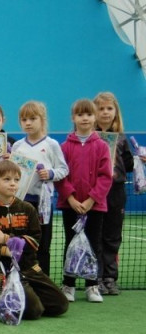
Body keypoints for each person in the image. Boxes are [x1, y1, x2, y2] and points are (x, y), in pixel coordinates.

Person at [0, 160, 69, 319]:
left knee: (60, 305)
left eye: (16, 180)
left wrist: (6, 239)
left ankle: (21, 296)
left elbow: (35, 242)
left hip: (29, 267)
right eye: (7, 179)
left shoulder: (27, 208)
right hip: (3, 272)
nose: (13, 184)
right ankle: (15, 295)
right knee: (34, 311)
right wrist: (3, 251)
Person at [55, 99, 112, 303]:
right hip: (69, 205)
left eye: (88, 114)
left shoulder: (102, 146)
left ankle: (92, 286)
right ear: (73, 118)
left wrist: (91, 200)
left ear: (94, 117)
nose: (85, 118)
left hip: (94, 207)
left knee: (93, 244)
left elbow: (105, 177)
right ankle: (68, 284)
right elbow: (61, 176)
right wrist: (70, 198)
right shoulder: (64, 147)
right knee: (71, 243)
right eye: (80, 114)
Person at [11, 101, 69, 275]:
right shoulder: (17, 146)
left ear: (42, 119)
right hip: (21, 203)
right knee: (21, 242)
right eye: (24, 119)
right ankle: (21, 279)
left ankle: (43, 281)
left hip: (43, 204)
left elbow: (63, 169)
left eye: (32, 119)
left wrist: (50, 174)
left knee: (43, 244)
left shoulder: (51, 145)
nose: (28, 123)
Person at [93, 92, 134, 296]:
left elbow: (129, 164)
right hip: (94, 193)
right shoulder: (89, 138)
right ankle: (97, 278)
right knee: (96, 235)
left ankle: (110, 278)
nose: (105, 112)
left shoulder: (122, 138)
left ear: (116, 112)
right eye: (101, 109)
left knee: (112, 235)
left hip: (116, 192)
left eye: (109, 108)